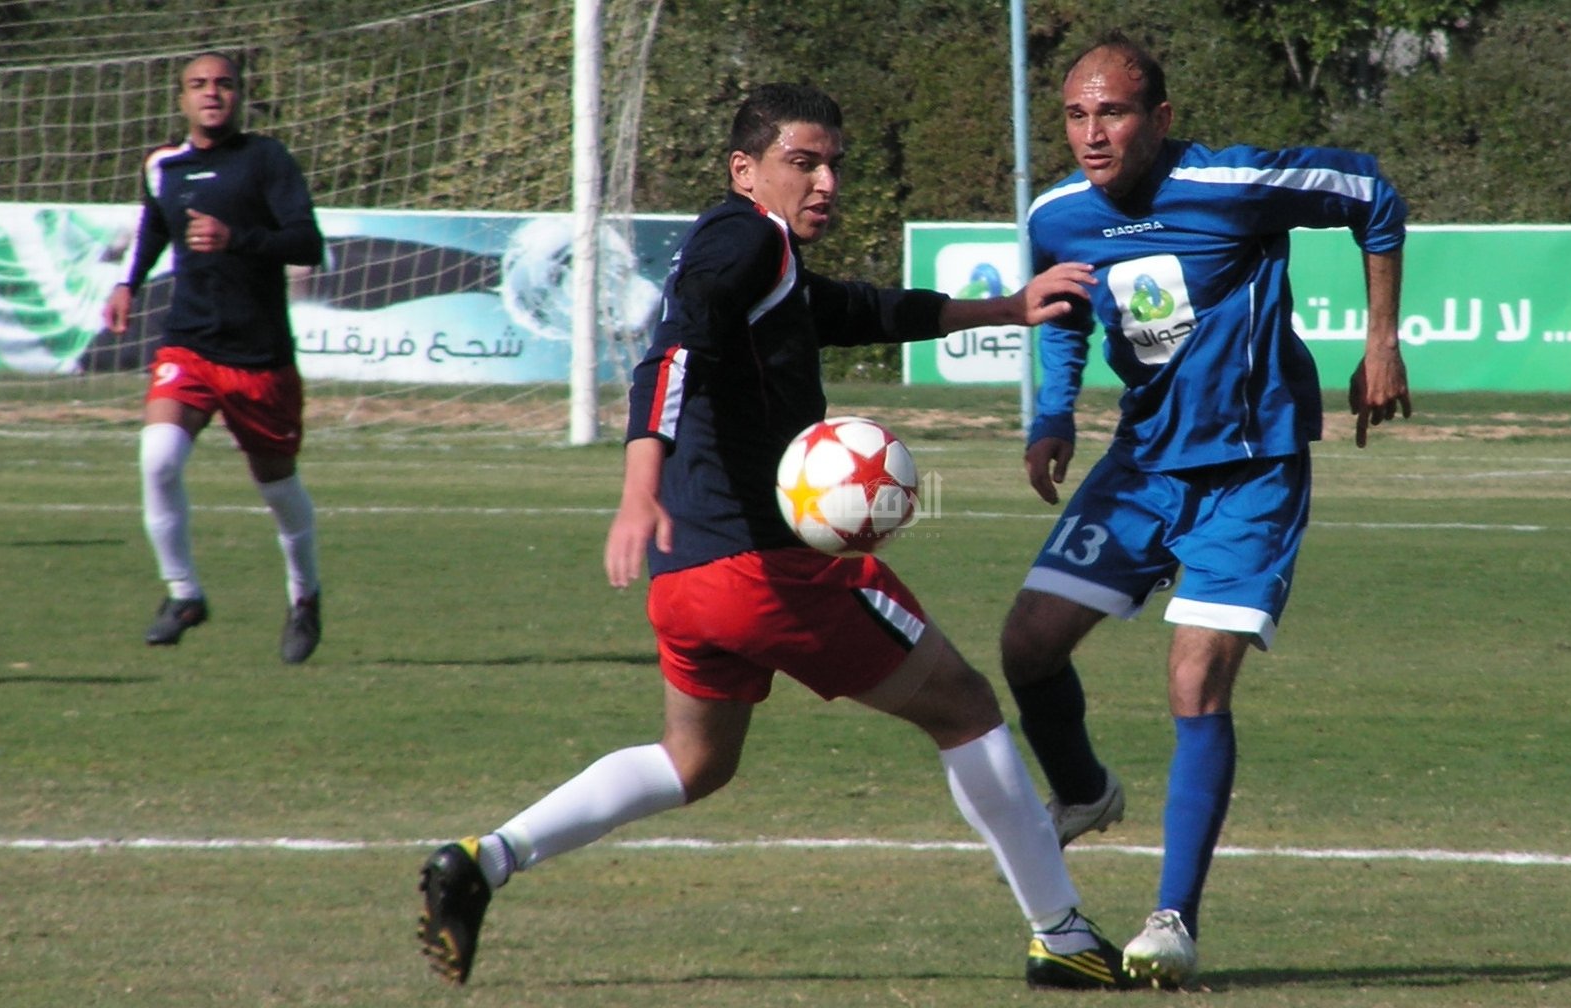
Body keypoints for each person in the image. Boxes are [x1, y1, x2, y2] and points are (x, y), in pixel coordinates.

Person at [416, 82, 1140, 992]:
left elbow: (862, 310)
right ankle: (1061, 934)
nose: (826, 179)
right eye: (804, 162)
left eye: (834, 161)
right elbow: (671, 352)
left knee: (695, 761)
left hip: (688, 584)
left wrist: (1006, 308)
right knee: (964, 706)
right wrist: (638, 489)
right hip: (763, 569)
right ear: (745, 171)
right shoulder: (744, 239)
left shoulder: (770, 263)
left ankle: (481, 862)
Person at [999, 32, 1413, 989]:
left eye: (1113, 112)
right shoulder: (1058, 214)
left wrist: (1379, 342)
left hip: (1252, 469)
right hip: (1140, 465)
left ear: (1161, 119)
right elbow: (1063, 310)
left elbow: (1371, 196)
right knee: (1026, 646)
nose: (1092, 133)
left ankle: (1172, 921)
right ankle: (1086, 791)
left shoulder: (1234, 184)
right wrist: (1053, 413)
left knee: (1195, 685)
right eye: (1075, 114)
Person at [102, 52, 326, 664]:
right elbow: (155, 225)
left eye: (223, 84)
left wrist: (238, 240)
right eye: (199, 85)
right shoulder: (164, 165)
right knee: (158, 458)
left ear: (239, 96)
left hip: (259, 356)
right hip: (189, 344)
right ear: (182, 98)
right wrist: (129, 281)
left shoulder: (266, 160)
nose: (212, 94)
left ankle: (304, 597)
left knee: (278, 489)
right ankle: (183, 594)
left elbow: (308, 242)